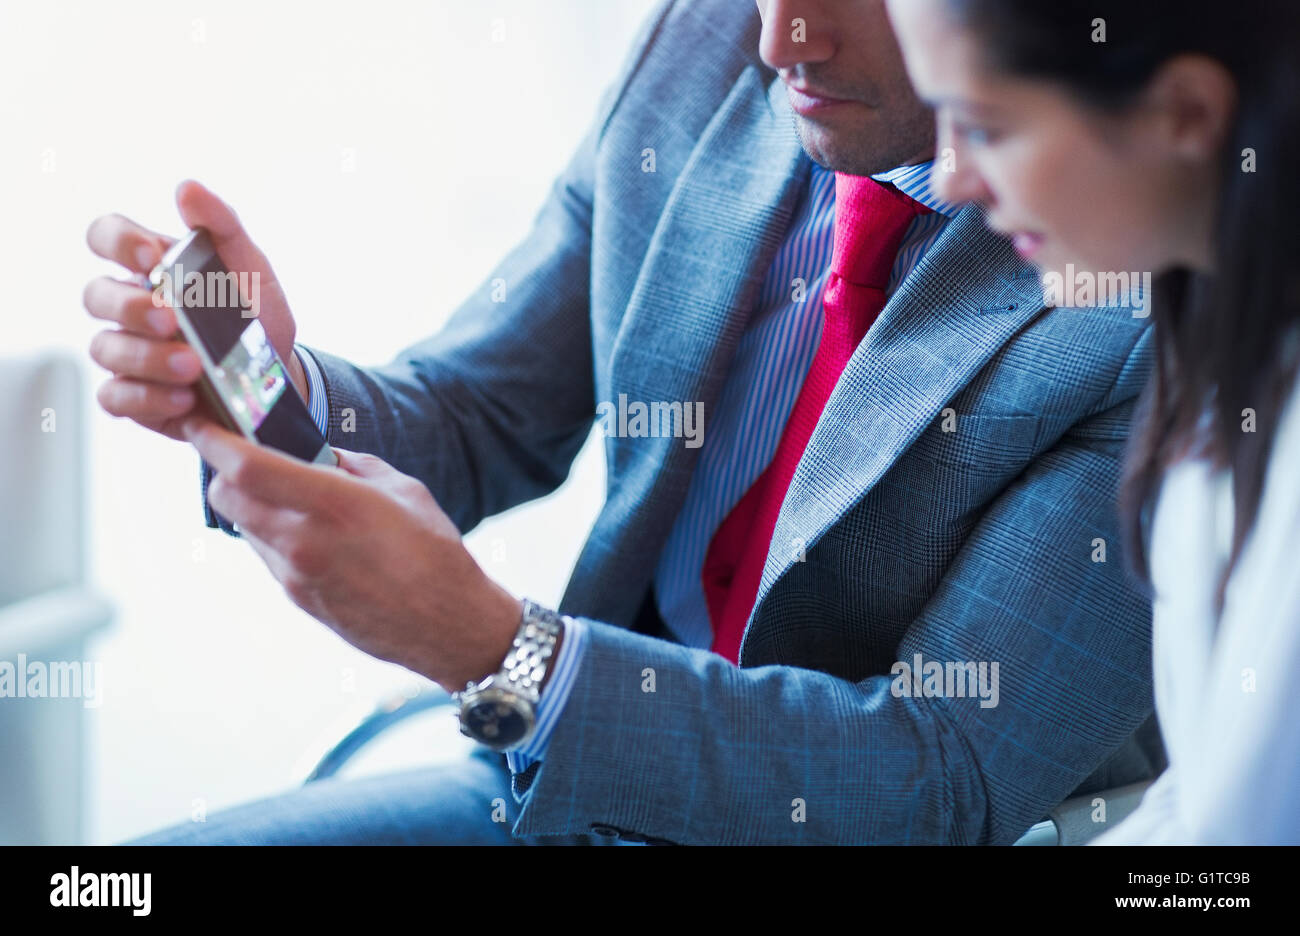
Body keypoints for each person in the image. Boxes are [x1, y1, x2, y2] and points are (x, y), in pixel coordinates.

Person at [83, 0, 1162, 846]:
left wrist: (499, 654)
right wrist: (271, 395)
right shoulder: (705, 47)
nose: (781, 37)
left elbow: (937, 779)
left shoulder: (1145, 290)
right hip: (558, 789)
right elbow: (484, 412)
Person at [887, 0, 1300, 844]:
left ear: (1185, 113)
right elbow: (1207, 797)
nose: (951, 177)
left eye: (986, 127)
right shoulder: (1215, 339)